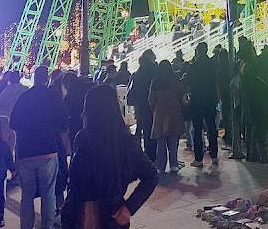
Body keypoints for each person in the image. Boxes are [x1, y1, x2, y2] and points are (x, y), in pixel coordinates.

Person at [61, 83, 158, 229]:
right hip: (78, 215)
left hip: (110, 217)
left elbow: (151, 176)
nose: (82, 114)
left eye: (86, 109)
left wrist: (129, 208)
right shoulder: (83, 138)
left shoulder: (126, 143)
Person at [9, 64, 68, 229]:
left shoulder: (24, 98)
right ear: (47, 78)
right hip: (48, 151)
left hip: (26, 152)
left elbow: (12, 124)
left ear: (34, 79)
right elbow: (64, 124)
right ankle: (47, 226)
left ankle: (26, 226)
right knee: (48, 194)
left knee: (27, 195)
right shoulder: (54, 96)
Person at [185, 42, 219, 168]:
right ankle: (214, 156)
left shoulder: (193, 66)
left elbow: (188, 82)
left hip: (197, 101)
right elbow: (216, 81)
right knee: (212, 128)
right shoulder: (212, 65)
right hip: (210, 99)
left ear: (197, 52)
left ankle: (199, 159)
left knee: (197, 130)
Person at [150, 59, 185, 174]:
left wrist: (154, 109)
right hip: (174, 111)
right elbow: (181, 94)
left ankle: (161, 165)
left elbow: (151, 99)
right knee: (173, 139)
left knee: (160, 140)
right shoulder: (174, 78)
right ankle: (174, 164)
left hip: (160, 112)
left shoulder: (155, 81)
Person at [126, 49, 157, 158]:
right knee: (156, 129)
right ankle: (158, 155)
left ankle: (149, 154)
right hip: (155, 104)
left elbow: (132, 91)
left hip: (142, 104)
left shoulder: (137, 73)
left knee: (147, 130)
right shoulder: (155, 71)